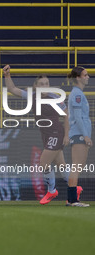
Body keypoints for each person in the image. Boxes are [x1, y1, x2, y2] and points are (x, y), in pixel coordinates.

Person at [3, 65, 82, 205]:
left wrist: (66, 135)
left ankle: (52, 190)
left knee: (43, 163)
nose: (45, 86)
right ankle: (75, 188)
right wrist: (7, 76)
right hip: (46, 134)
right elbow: (12, 90)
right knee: (61, 165)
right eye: (41, 84)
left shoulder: (54, 98)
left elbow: (67, 115)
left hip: (56, 133)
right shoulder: (32, 96)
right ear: (35, 86)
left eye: (47, 83)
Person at [66, 66, 92, 207]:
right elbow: (77, 117)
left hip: (79, 134)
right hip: (79, 134)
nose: (87, 77)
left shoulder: (78, 93)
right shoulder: (77, 94)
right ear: (78, 78)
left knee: (77, 167)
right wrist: (86, 135)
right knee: (76, 167)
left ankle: (72, 200)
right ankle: (73, 200)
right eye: (85, 75)